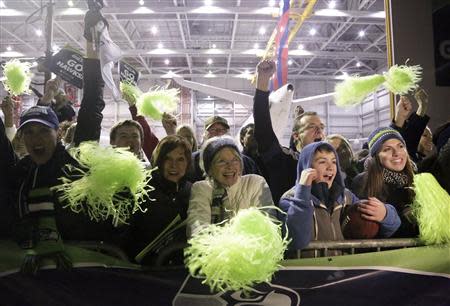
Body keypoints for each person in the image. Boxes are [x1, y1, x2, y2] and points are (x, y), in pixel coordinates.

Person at [280, 141, 400, 257]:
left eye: (333, 162)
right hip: (309, 273)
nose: (330, 167)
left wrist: (385, 213)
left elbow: (394, 225)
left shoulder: (345, 197)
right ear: (307, 167)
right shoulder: (290, 199)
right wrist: (303, 192)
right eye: (322, 162)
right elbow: (297, 240)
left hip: (343, 273)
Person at [253, 59, 326, 204]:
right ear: (296, 136)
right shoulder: (285, 161)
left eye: (322, 127)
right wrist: (262, 81)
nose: (319, 130)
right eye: (312, 126)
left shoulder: (330, 165)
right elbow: (264, 132)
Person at [125, 135, 192, 265]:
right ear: (159, 160)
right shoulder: (142, 187)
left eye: (180, 159)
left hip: (180, 266)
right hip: (144, 267)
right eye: (168, 159)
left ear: (188, 163)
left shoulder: (192, 189)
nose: (174, 165)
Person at [187, 136, 273, 237]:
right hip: (213, 252)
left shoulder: (255, 183)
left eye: (235, 160)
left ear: (241, 165)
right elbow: (197, 230)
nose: (230, 166)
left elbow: (269, 225)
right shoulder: (201, 189)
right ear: (209, 168)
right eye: (221, 161)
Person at [351, 127, 417, 237]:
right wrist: (387, 217)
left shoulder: (418, 179)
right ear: (376, 156)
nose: (396, 153)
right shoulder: (363, 182)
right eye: (387, 149)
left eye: (400, 146)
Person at [190, 115, 260, 182]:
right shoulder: (193, 160)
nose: (219, 132)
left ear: (228, 134)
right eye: (213, 129)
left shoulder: (246, 162)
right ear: (205, 134)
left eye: (223, 130)